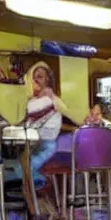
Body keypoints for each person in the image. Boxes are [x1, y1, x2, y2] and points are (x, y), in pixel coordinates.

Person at [17, 62, 73, 190]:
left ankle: (36, 183)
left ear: (48, 80)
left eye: (40, 77)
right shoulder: (34, 100)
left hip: (47, 144)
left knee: (24, 167)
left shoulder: (49, 100)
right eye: (34, 77)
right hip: (34, 143)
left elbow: (33, 115)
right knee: (21, 162)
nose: (36, 80)